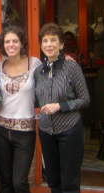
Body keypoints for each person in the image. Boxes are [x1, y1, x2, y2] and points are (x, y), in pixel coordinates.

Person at [34, 23, 90, 193]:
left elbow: (85, 99)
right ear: (41, 45)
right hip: (46, 131)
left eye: (53, 40)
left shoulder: (71, 67)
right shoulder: (38, 71)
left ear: (61, 44)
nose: (49, 44)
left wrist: (60, 106)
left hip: (69, 130)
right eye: (45, 41)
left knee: (69, 182)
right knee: (53, 180)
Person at [0, 26, 41, 193]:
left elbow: (52, 74)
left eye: (15, 41)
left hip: (25, 132)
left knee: (19, 182)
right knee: (5, 181)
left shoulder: (34, 63)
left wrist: (65, 60)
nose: (11, 44)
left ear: (22, 44)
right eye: (7, 41)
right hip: (1, 131)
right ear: (2, 45)